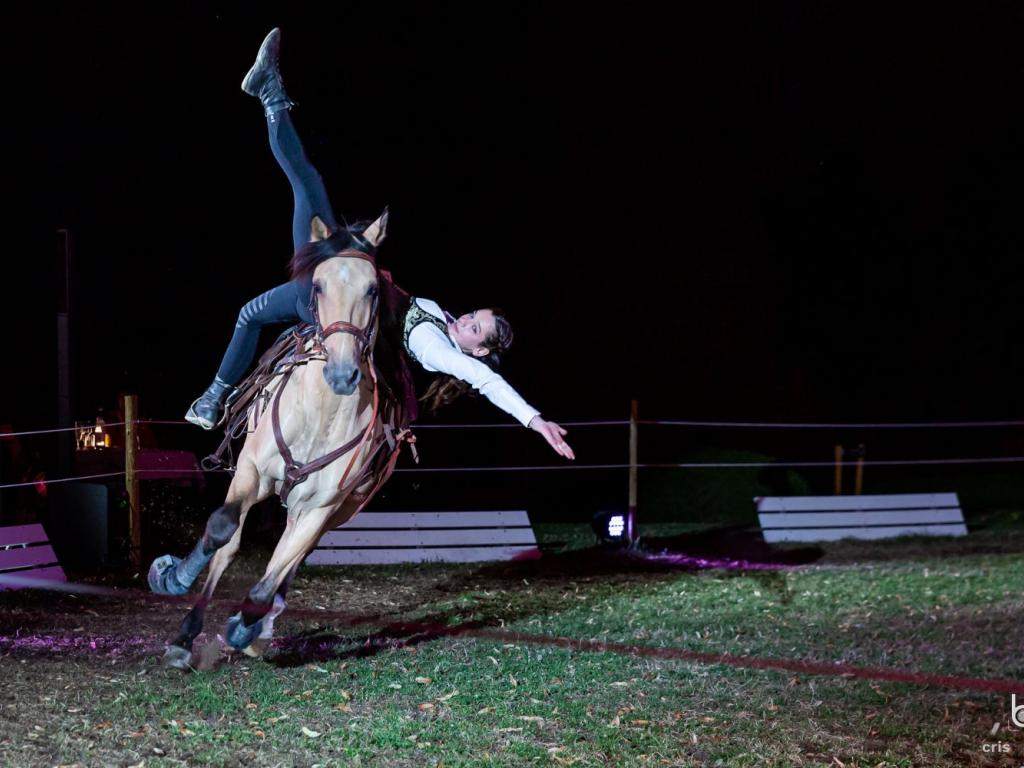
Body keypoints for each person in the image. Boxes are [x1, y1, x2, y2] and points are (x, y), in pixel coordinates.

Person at [186, 28, 574, 460]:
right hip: (346, 276)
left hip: (327, 301)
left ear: (478, 350)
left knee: (258, 297)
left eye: (475, 329)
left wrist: (533, 419)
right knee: (308, 183)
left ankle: (215, 394)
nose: (465, 320)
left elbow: (486, 381)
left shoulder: (437, 350)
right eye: (473, 314)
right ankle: (270, 93)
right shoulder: (442, 320)